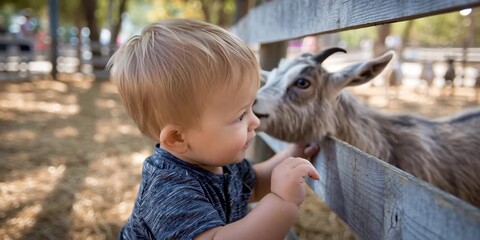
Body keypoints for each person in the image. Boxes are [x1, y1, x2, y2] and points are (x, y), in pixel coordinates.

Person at [107, 19, 320, 240]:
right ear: (178, 138)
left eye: (251, 108)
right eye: (240, 115)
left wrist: (293, 153)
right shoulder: (169, 191)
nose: (255, 121)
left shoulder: (217, 159)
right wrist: (281, 203)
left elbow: (254, 183)